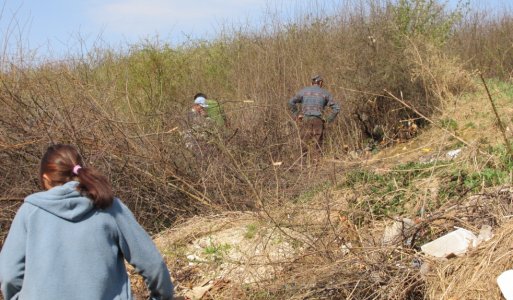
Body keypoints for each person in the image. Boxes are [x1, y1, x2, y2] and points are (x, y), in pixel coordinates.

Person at [0, 144, 174, 300]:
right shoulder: (109, 206)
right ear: (79, 171)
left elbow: (9, 274)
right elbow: (152, 264)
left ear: (45, 178)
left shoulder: (29, 212)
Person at [288, 75, 341, 154]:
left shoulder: (304, 91)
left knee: (304, 145)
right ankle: (317, 164)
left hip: (305, 120)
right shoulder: (325, 93)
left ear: (311, 83)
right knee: (317, 146)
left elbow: (291, 102)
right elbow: (337, 108)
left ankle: (304, 164)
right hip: (318, 121)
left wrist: (296, 115)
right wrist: (328, 120)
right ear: (320, 82)